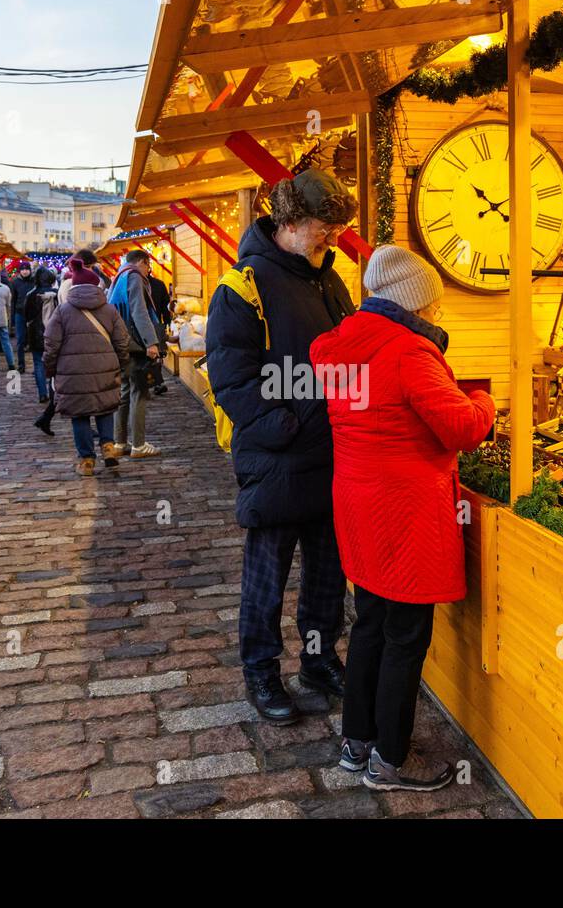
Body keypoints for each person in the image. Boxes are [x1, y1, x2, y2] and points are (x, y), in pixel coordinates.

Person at [311, 244, 493, 791]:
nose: (437, 315)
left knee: (369, 621)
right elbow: (461, 428)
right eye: (434, 305)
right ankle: (392, 760)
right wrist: (484, 400)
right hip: (405, 511)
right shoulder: (409, 351)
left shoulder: (340, 346)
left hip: (358, 501)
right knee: (406, 634)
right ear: (414, 303)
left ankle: (357, 742)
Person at [204, 169, 357, 724]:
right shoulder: (242, 285)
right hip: (277, 460)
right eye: (325, 227)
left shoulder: (331, 281)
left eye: (338, 227)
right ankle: (261, 671)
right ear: (290, 223)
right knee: (266, 576)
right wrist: (287, 428)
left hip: (333, 456)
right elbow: (233, 379)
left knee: (326, 574)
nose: (332, 237)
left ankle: (317, 662)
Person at [43, 262, 130, 475]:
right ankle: (108, 447)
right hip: (105, 368)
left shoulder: (63, 311)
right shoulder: (109, 309)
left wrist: (50, 369)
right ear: (97, 286)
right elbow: (122, 340)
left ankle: (87, 461)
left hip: (72, 371)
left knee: (79, 414)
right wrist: (120, 363)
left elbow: (51, 344)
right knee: (105, 407)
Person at [108, 249, 163, 458]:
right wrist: (151, 342)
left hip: (120, 343)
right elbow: (138, 310)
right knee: (140, 391)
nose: (149, 271)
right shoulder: (134, 276)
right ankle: (139, 445)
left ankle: (120, 442)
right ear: (142, 262)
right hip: (134, 343)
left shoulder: (118, 277)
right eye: (148, 266)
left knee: (123, 391)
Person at [24, 267, 59, 404]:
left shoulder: (31, 295)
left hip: (36, 333)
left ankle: (42, 393)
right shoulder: (57, 294)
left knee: (38, 363)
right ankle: (53, 392)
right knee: (55, 364)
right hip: (55, 334)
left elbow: (27, 315)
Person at [148, 269, 173, 396]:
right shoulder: (158, 284)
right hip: (156, 324)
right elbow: (165, 307)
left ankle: (155, 383)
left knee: (152, 357)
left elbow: (165, 306)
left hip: (141, 326)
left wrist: (167, 323)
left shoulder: (130, 283)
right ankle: (155, 383)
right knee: (156, 356)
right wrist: (167, 323)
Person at [11, 264, 37, 367]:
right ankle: (21, 365)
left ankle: (37, 366)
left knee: (34, 340)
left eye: (27, 269)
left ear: (30, 271)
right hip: (20, 313)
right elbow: (13, 300)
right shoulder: (15, 282)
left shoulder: (34, 281)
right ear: (19, 271)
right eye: (23, 270)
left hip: (32, 314)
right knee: (20, 340)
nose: (25, 271)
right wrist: (12, 317)